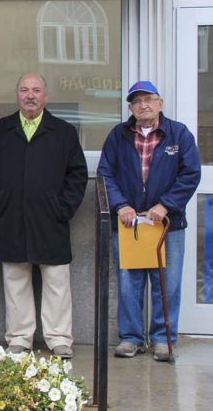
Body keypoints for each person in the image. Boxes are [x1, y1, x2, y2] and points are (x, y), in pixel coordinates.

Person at [0, 73, 87, 359]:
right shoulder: (1, 130)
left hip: (50, 218)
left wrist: (63, 208)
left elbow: (77, 175)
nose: (30, 95)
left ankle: (59, 338)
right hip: (11, 217)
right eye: (25, 90)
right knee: (15, 281)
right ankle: (19, 338)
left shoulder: (64, 131)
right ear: (17, 94)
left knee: (56, 281)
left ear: (46, 96)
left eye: (36, 90)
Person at [97, 81, 201, 362]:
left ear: (160, 103)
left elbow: (190, 174)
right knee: (129, 282)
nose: (143, 105)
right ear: (130, 107)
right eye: (137, 101)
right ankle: (131, 338)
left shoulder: (179, 134)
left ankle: (163, 339)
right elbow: (105, 174)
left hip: (167, 224)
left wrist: (166, 204)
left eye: (149, 99)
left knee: (167, 283)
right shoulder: (118, 135)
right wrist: (121, 206)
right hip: (130, 224)